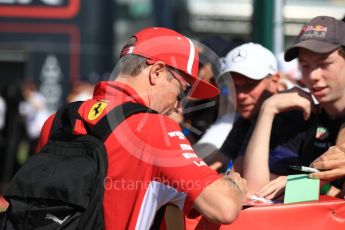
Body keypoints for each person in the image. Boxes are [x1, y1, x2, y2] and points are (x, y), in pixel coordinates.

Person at [37, 27, 247, 229]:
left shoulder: (57, 120)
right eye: (183, 92)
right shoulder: (153, 128)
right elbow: (224, 207)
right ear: (156, 72)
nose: (179, 105)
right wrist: (233, 185)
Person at [242, 16, 345, 198]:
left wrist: (309, 183)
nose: (313, 75)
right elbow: (256, 190)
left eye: (324, 64)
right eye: (305, 66)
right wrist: (268, 109)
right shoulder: (302, 114)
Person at [204, 42, 281, 173]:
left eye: (250, 84)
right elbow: (216, 164)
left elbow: (255, 185)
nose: (240, 96)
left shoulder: (294, 117)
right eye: (234, 86)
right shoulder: (245, 119)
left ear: (274, 81)